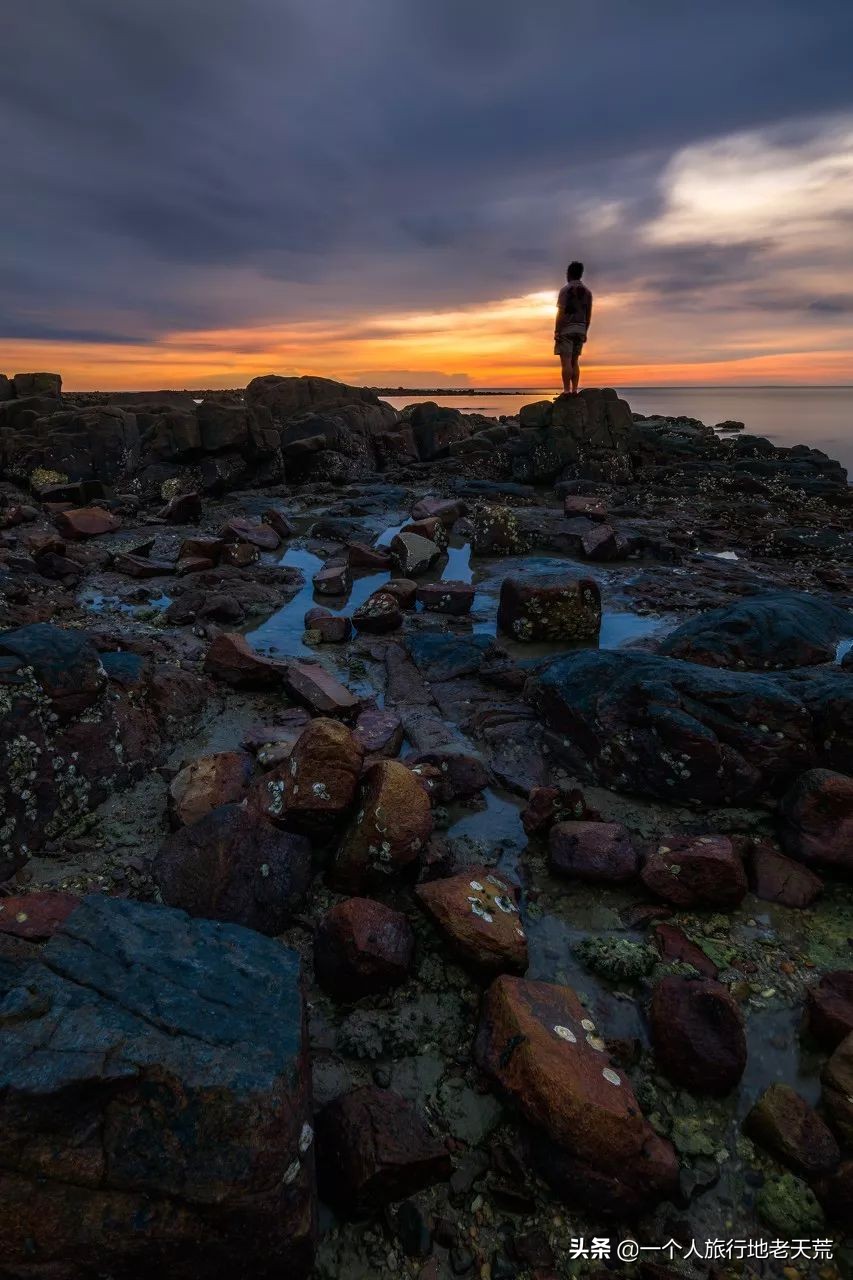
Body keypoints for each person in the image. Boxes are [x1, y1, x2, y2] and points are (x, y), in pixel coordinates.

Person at [554, 261, 593, 395]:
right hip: (580, 328)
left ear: (569, 274)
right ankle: (575, 389)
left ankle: (566, 390)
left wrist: (557, 331)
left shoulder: (565, 290)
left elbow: (561, 312)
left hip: (566, 329)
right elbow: (588, 315)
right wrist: (585, 331)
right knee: (575, 361)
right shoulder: (587, 292)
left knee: (566, 362)